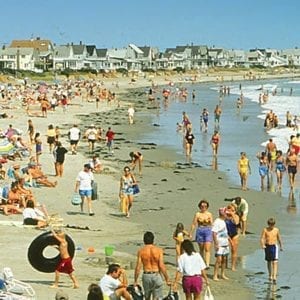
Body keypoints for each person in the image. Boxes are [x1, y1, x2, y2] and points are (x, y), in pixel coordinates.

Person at [134, 231, 171, 300]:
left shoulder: (141, 251)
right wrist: (167, 279)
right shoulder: (159, 250)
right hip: (156, 274)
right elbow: (161, 265)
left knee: (147, 297)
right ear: (153, 240)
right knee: (157, 298)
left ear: (144, 240)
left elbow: (138, 267)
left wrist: (135, 280)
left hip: (146, 275)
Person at [189, 199, 213, 269]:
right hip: (200, 230)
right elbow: (194, 224)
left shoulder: (209, 214)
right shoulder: (197, 214)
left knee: (207, 248)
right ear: (200, 206)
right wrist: (191, 233)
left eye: (205, 206)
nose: (203, 207)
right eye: (202, 206)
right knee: (201, 248)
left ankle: (207, 264)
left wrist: (215, 233)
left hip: (208, 230)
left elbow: (212, 224)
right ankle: (201, 263)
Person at [260, 218, 283, 284]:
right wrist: (262, 245)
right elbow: (262, 238)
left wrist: (281, 246)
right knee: (269, 261)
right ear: (268, 224)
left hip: (274, 246)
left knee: (275, 261)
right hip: (267, 246)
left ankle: (274, 276)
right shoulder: (265, 230)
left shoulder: (276, 230)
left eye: (272, 225)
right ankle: (270, 275)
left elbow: (279, 238)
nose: (271, 226)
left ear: (274, 224)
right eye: (270, 225)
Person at [212, 207, 229, 281]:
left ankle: (222, 274)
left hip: (225, 243)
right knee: (218, 259)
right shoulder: (217, 222)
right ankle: (215, 275)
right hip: (219, 244)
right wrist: (216, 244)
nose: (227, 215)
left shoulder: (224, 221)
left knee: (224, 259)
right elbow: (214, 233)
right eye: (226, 213)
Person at [225, 204, 240, 271]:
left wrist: (233, 214)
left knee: (234, 250)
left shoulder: (236, 216)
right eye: (230, 210)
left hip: (234, 234)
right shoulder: (225, 216)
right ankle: (225, 264)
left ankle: (233, 266)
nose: (231, 211)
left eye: (233, 210)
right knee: (225, 250)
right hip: (226, 234)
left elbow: (236, 223)